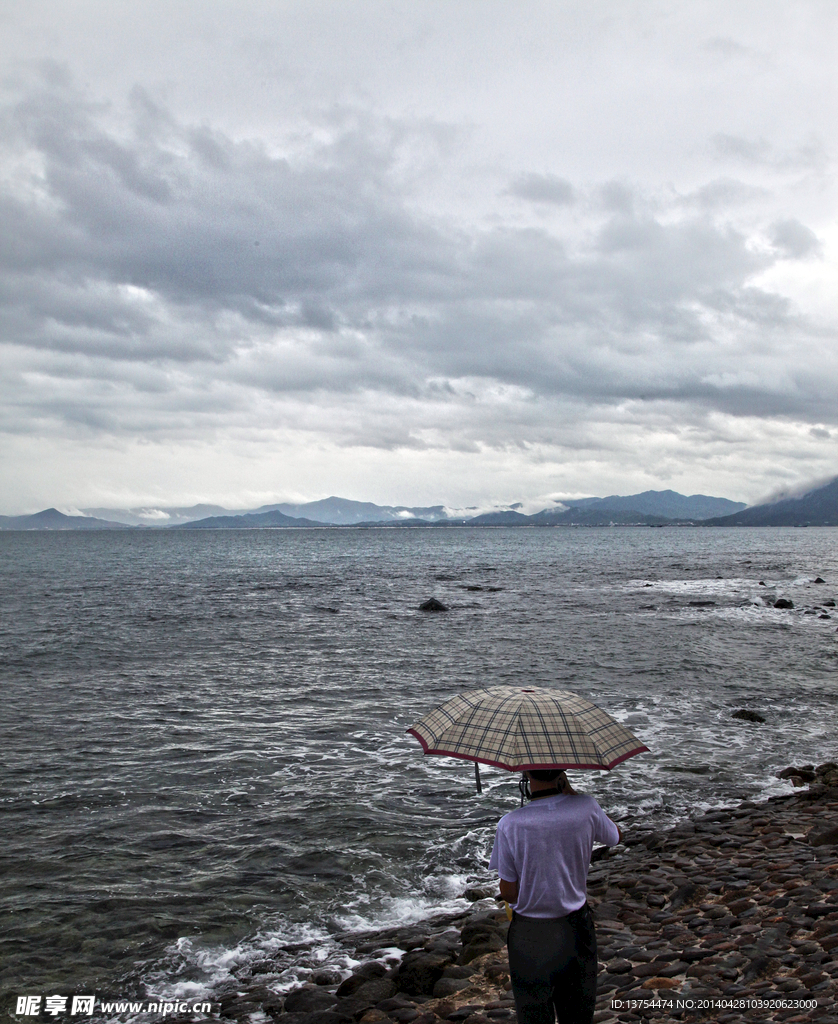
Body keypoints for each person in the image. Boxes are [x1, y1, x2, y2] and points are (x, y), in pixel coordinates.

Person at [489, 768, 622, 1024]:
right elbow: (615, 837)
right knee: (578, 1013)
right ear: (562, 771)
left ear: (526, 773)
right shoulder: (586, 807)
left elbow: (509, 892)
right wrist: (573, 794)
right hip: (576, 927)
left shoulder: (510, 823)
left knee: (534, 1014)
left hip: (531, 933)